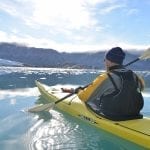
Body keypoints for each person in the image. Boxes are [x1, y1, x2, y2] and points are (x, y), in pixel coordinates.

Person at [62, 47, 144, 121]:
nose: (104, 62)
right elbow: (140, 88)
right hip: (134, 114)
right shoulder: (134, 75)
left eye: (105, 60)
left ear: (109, 61)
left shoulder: (106, 77)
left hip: (114, 115)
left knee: (92, 99)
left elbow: (85, 97)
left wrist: (79, 90)